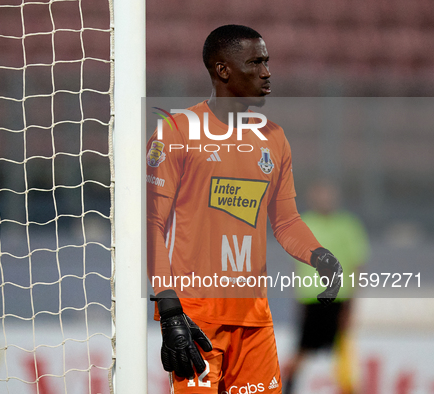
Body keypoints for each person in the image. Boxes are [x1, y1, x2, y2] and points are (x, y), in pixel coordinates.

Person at [146, 24, 344, 393]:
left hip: (254, 320)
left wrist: (319, 256)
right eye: (256, 62)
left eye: (267, 62)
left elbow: (285, 220)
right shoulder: (175, 131)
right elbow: (152, 224)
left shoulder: (273, 137)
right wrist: (169, 311)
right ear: (223, 71)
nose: (267, 72)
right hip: (196, 317)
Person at [283, 181, 369, 394]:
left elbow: (357, 263)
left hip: (339, 298)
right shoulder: (303, 224)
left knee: (344, 353)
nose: (325, 200)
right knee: (302, 349)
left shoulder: (347, 225)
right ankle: (285, 388)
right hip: (311, 298)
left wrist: (353, 301)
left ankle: (348, 389)